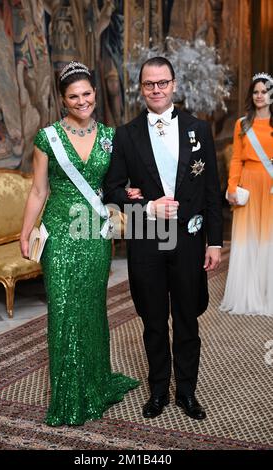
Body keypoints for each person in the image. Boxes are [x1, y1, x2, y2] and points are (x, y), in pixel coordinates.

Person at [20, 61, 140, 426]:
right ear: (63, 99)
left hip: (94, 233)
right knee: (63, 310)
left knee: (91, 309)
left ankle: (95, 382)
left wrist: (127, 194)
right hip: (59, 233)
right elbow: (39, 190)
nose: (82, 100)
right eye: (74, 96)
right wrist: (26, 231)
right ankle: (68, 395)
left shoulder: (110, 137)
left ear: (95, 94)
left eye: (87, 93)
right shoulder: (48, 137)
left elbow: (116, 183)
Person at [103, 57, 223, 421]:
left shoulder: (197, 129)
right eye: (149, 84)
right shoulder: (125, 134)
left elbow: (211, 189)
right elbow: (111, 189)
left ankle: (186, 391)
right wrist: (147, 205)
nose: (156, 89)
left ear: (174, 84)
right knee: (153, 320)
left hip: (187, 238)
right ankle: (158, 391)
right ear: (141, 88)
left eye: (162, 82)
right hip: (146, 237)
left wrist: (214, 242)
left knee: (187, 318)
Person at [221, 73, 273, 316]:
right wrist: (232, 187)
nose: (260, 95)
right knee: (248, 237)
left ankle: (267, 294)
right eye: (256, 92)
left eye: (264, 91)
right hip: (249, 184)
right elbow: (236, 158)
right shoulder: (242, 124)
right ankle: (247, 295)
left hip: (271, 184)